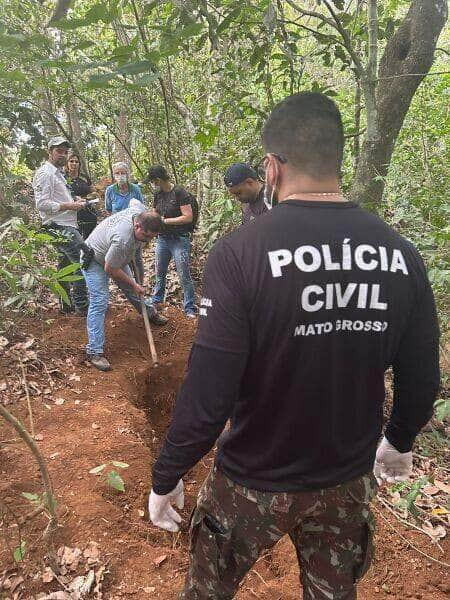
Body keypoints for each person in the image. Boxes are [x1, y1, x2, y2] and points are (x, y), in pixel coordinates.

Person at [148, 92, 440, 599]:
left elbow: (209, 391)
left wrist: (168, 473)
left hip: (251, 480)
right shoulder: (401, 255)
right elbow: (421, 375)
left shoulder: (241, 253)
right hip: (345, 479)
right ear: (338, 158)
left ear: (271, 168)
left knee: (207, 590)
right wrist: (400, 439)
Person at [82, 200, 168, 372]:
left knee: (134, 289)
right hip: (95, 260)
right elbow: (110, 269)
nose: (148, 241)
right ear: (137, 226)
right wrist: (134, 283)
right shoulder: (123, 240)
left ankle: (149, 313)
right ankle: (94, 351)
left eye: (152, 237)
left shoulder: (139, 211)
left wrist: (133, 285)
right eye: (146, 237)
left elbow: (133, 201)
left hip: (116, 257)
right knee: (100, 301)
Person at [33, 136, 89, 315]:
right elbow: (42, 204)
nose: (63, 155)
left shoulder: (58, 174)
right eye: (59, 151)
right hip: (58, 225)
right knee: (81, 260)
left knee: (65, 264)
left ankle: (66, 304)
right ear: (49, 152)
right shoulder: (46, 173)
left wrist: (75, 201)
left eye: (65, 152)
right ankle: (83, 306)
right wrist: (70, 206)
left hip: (66, 223)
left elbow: (57, 199)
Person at [146, 165, 196, 318]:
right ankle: (157, 300)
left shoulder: (179, 192)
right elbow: (155, 214)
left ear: (159, 180)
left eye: (154, 181)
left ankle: (189, 308)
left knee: (183, 275)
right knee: (160, 272)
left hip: (179, 239)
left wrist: (165, 221)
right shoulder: (158, 194)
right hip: (162, 239)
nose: (153, 184)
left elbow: (188, 216)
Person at [104, 161, 145, 284]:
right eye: (117, 173)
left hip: (134, 228)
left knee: (136, 259)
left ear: (127, 174)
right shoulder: (110, 190)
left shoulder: (135, 189)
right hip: (117, 229)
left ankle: (139, 284)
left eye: (123, 173)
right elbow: (108, 210)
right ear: (113, 175)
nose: (120, 176)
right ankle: (127, 285)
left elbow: (141, 208)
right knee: (120, 258)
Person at [64, 150, 97, 239]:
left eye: (76, 162)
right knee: (74, 240)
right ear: (67, 163)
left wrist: (87, 198)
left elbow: (94, 192)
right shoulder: (63, 178)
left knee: (89, 239)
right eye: (71, 161)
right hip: (71, 213)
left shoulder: (84, 177)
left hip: (87, 212)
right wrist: (74, 198)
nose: (74, 164)